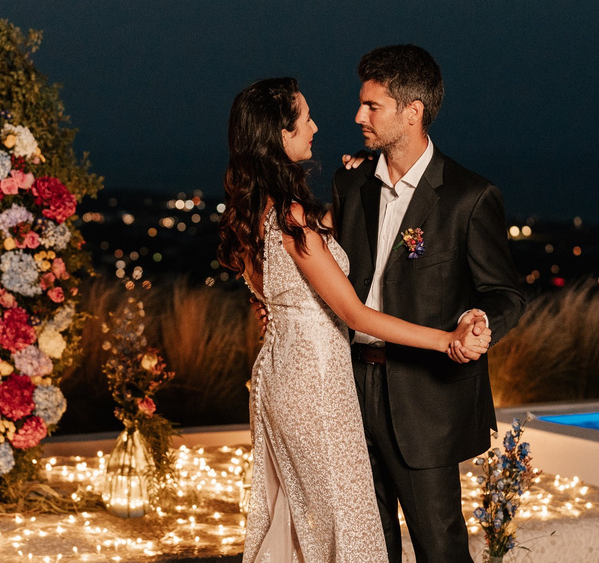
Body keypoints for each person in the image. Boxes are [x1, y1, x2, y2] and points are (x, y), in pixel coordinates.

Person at [217, 77, 492, 563]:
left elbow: (297, 276)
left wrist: (359, 184)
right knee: (345, 527)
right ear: (279, 136)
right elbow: (356, 313)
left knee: (307, 520)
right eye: (305, 119)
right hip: (317, 384)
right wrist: (446, 339)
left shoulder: (257, 212)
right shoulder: (290, 217)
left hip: (281, 375)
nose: (317, 126)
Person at [334, 45, 526, 563]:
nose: (358, 116)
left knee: (440, 547)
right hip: (347, 390)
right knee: (367, 548)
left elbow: (504, 293)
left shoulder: (469, 196)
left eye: (373, 106)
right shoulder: (350, 184)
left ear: (412, 111)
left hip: (424, 399)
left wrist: (479, 319)